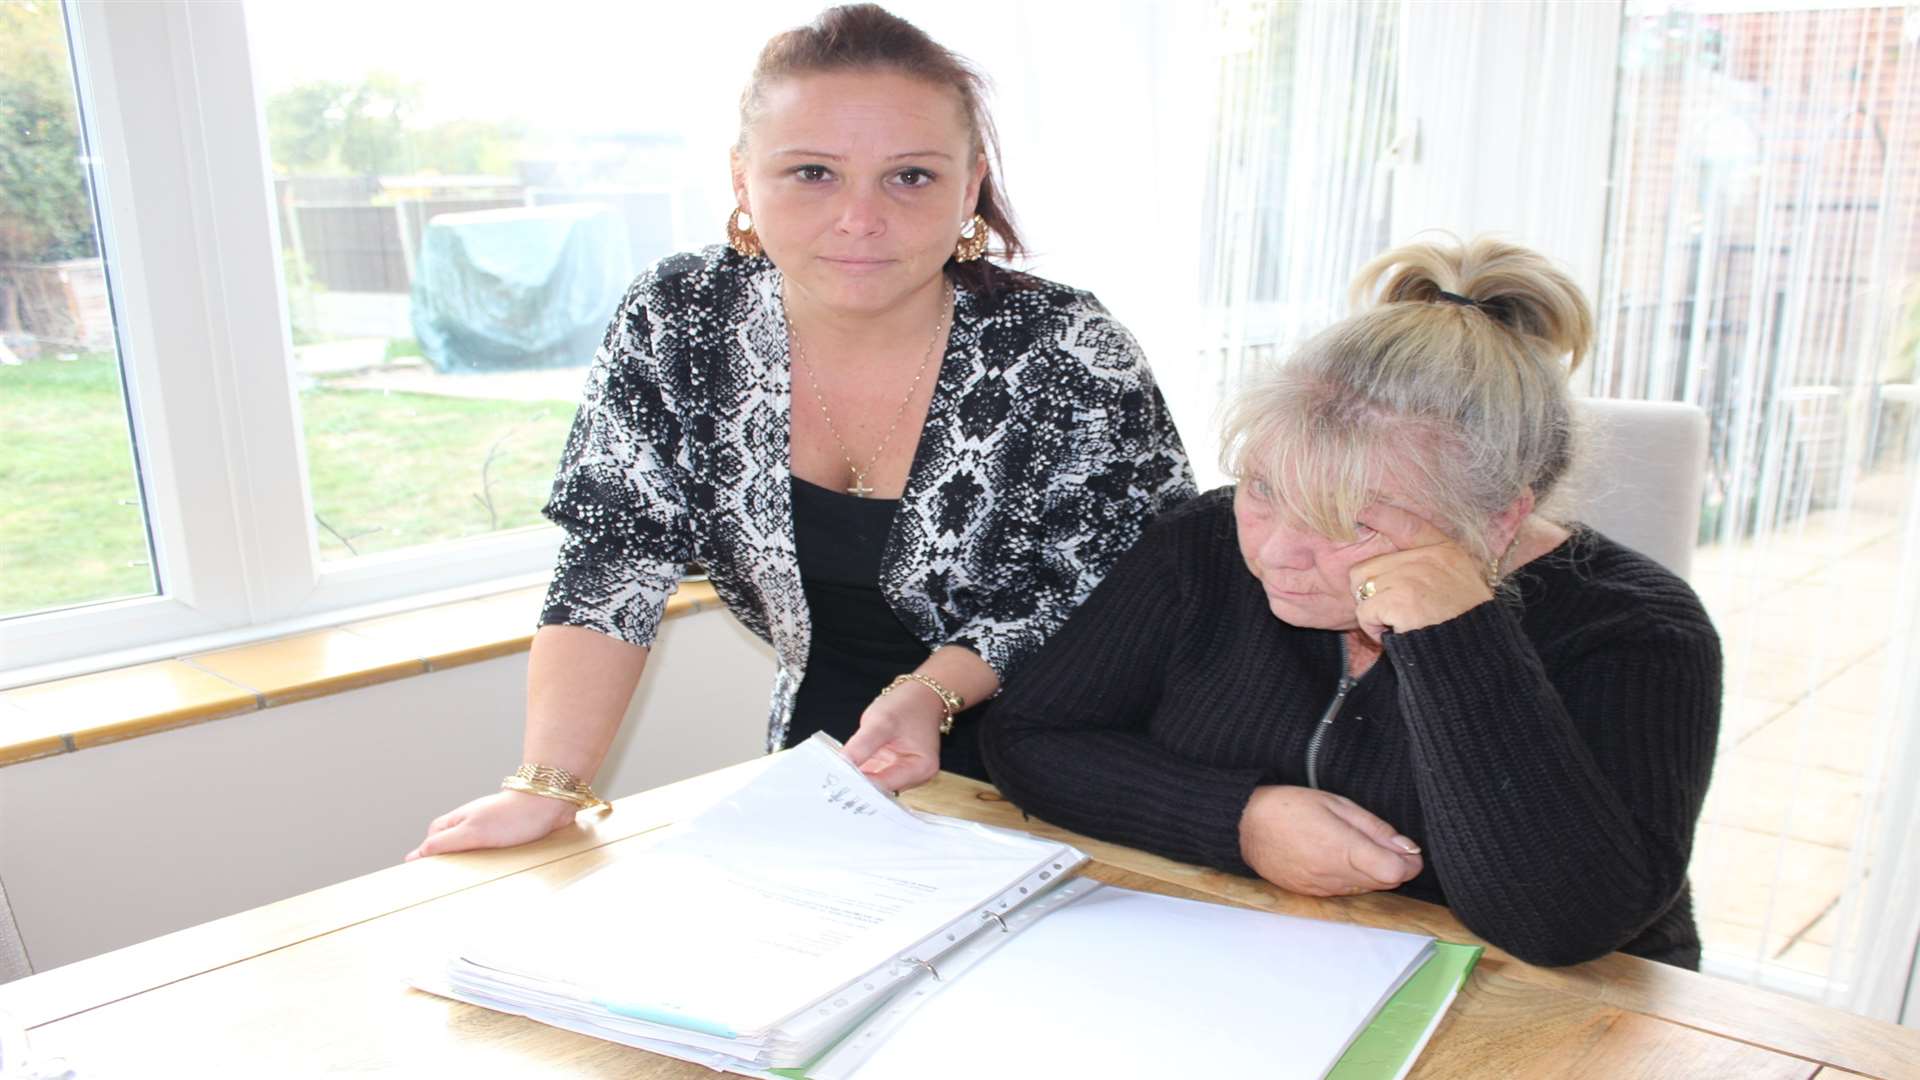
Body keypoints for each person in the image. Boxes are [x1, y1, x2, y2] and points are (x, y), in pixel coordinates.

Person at [407, 5, 1193, 861]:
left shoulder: (1065, 346)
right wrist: (546, 784)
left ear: (969, 187)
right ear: (744, 182)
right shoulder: (680, 321)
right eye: (812, 172)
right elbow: (614, 553)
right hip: (835, 761)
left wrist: (933, 691)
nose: (859, 218)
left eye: (911, 177)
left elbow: (1119, 586)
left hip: (1081, 758)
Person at [979, 236, 1722, 969]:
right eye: (1266, 489)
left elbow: (1565, 928)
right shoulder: (1204, 543)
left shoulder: (1639, 632)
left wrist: (1459, 632)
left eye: (1351, 521)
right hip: (1252, 963)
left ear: (1499, 520)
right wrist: (1238, 820)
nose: (1276, 553)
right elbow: (1031, 737)